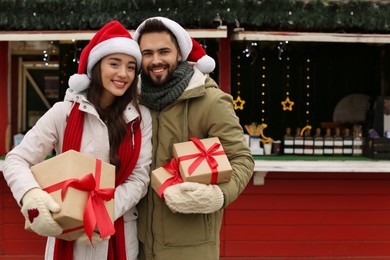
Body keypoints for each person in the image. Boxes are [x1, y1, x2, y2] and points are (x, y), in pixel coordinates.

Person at [3, 20, 152, 260]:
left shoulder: (139, 117)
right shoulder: (64, 112)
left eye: (131, 67)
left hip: (118, 233)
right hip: (67, 235)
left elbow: (139, 178)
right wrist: (31, 194)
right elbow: (16, 159)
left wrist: (100, 213)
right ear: (96, 67)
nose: (123, 74)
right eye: (114, 64)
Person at [132, 16, 254, 259]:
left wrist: (217, 196)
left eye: (164, 51)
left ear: (179, 53)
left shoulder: (211, 101)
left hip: (192, 248)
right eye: (147, 53)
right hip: (137, 246)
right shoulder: (131, 102)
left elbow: (241, 159)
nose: (156, 60)